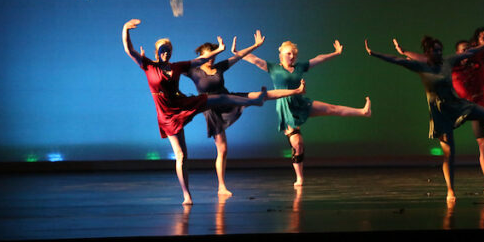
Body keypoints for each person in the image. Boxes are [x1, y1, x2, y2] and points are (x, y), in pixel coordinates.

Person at [365, 14, 484, 202]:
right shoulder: (421, 67)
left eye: (440, 50)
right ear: (428, 52)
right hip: (440, 114)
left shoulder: (448, 62)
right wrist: (374, 53)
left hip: (457, 105)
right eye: (435, 50)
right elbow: (397, 59)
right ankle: (450, 190)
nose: (438, 53)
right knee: (449, 154)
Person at [122, 19, 267, 205]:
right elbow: (129, 49)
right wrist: (126, 28)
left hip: (182, 103)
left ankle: (255, 101)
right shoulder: (148, 65)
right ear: (156, 52)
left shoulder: (177, 67)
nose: (166, 53)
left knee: (218, 98)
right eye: (162, 50)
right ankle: (186, 195)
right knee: (181, 156)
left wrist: (219, 50)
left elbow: (201, 60)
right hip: (167, 116)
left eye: (168, 50)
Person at [184, 29, 307, 196]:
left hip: (227, 100)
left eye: (214, 55)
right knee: (223, 150)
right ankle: (221, 186)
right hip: (210, 109)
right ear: (200, 56)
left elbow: (238, 56)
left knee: (258, 95)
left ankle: (295, 91)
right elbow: (171, 69)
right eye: (208, 56)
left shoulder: (219, 67)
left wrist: (255, 45)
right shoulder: (193, 70)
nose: (211, 59)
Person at [240, 38, 372, 188]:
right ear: (281, 55)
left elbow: (318, 59)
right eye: (289, 53)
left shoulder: (299, 67)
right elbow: (254, 60)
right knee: (298, 144)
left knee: (331, 108)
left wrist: (335, 53)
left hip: (300, 103)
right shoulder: (274, 68)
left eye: (294, 54)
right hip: (286, 108)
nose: (292, 56)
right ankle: (299, 178)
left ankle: (363, 111)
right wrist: (239, 53)